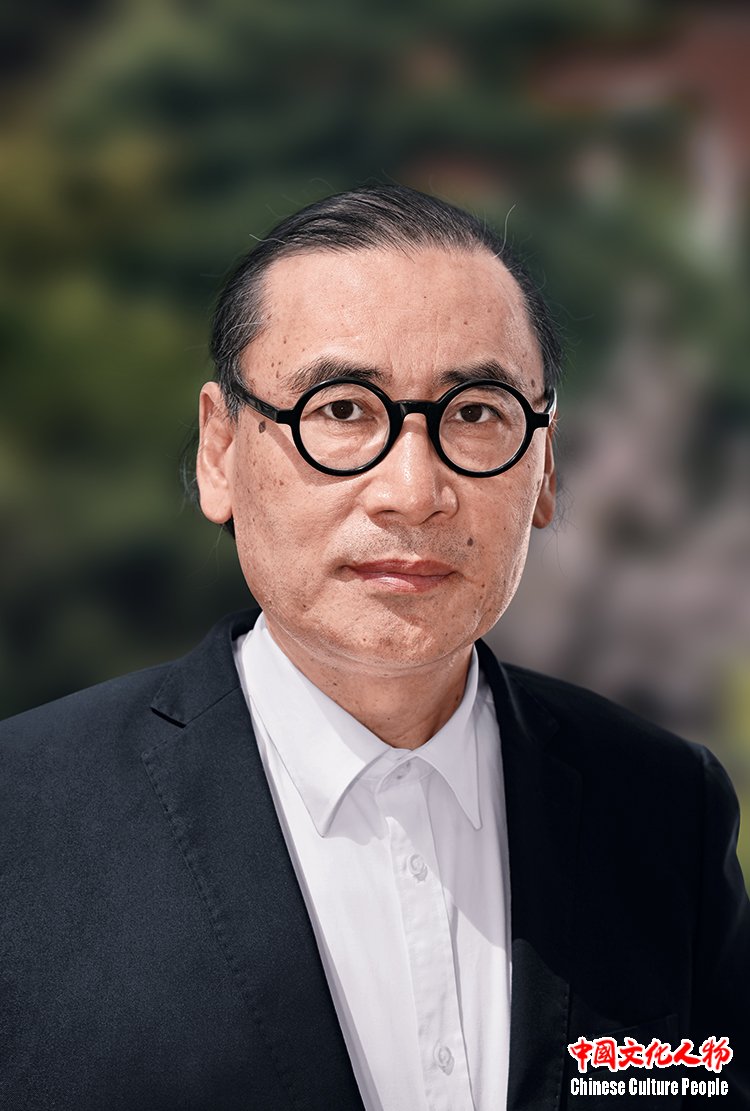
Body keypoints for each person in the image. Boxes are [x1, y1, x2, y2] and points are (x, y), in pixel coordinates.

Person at [1, 186, 748, 1111]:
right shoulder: (25, 820)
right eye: (344, 409)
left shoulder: (664, 807)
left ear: (546, 465)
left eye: (475, 413)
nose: (413, 490)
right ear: (220, 450)